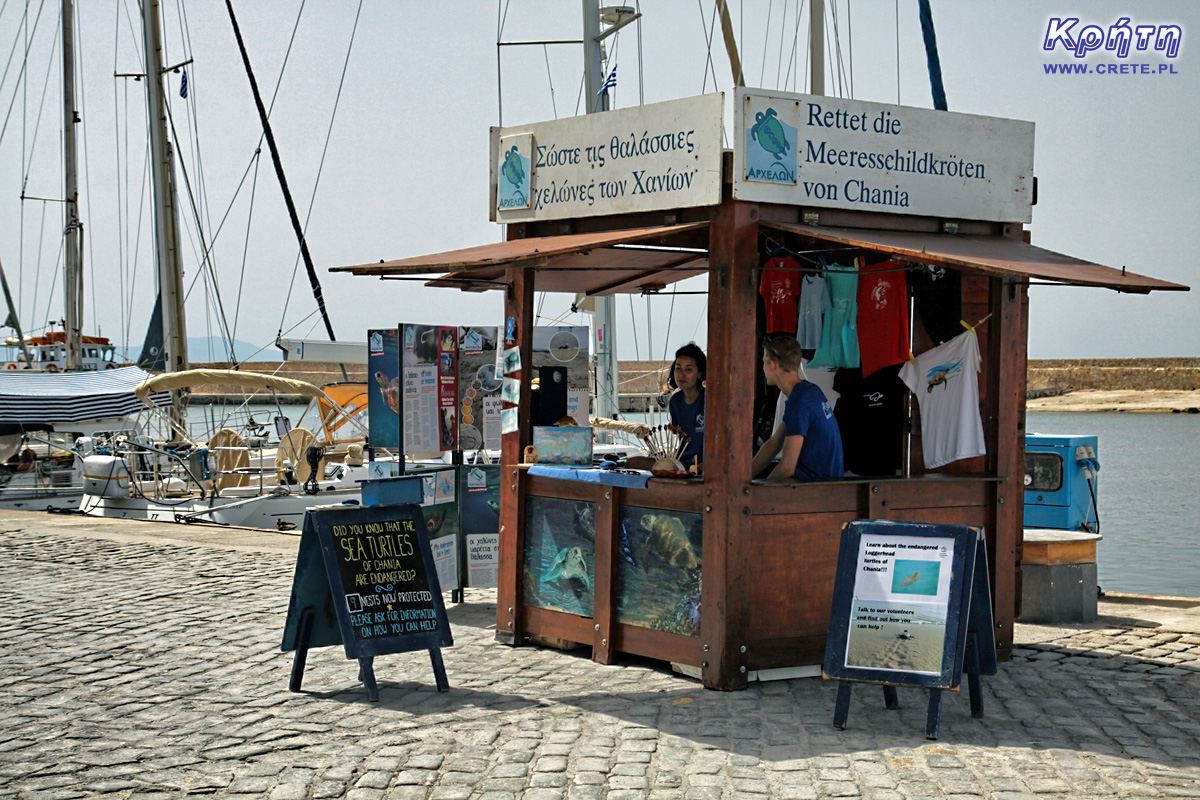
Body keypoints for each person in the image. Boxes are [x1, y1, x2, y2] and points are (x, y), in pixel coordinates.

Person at [751, 335, 844, 482]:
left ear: (773, 364)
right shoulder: (809, 391)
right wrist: (741, 478)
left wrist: (759, 494)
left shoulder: (800, 402)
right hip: (823, 484)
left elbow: (787, 467)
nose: (763, 368)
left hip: (816, 490)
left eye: (764, 362)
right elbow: (775, 442)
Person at [667, 343, 706, 465]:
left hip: (703, 464)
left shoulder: (709, 400)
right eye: (678, 368)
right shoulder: (675, 401)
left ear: (700, 373)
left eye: (688, 369)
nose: (681, 375)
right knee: (633, 462)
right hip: (683, 461)